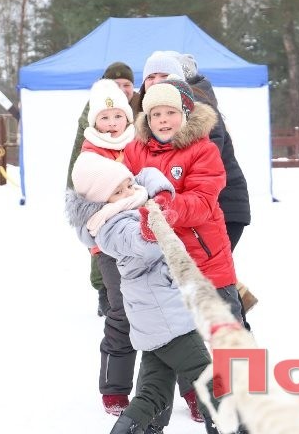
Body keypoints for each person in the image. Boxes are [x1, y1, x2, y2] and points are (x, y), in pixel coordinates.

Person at [65, 152, 221, 434]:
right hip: (166, 317)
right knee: (208, 377)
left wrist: (159, 196)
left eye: (127, 184)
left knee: (154, 393)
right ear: (101, 200)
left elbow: (147, 174)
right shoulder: (109, 225)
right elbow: (140, 242)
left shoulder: (132, 200)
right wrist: (152, 223)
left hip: (159, 317)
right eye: (117, 191)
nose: (128, 191)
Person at [123, 75, 247, 429]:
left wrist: (167, 207)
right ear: (147, 119)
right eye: (155, 114)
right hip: (159, 270)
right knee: (162, 351)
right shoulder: (134, 151)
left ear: (185, 114)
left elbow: (204, 202)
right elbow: (120, 192)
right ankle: (150, 423)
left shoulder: (203, 150)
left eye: (170, 113)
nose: (163, 120)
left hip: (207, 266)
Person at [75, 78, 140, 416]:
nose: (112, 124)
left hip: (146, 239)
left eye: (118, 117)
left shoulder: (139, 144)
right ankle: (114, 388)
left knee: (163, 309)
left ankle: (177, 386)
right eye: (105, 118)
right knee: (121, 310)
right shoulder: (89, 155)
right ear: (94, 121)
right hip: (110, 245)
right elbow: (85, 205)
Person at [177, 53, 255, 313]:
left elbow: (205, 162)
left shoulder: (197, 106)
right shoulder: (192, 101)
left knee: (211, 280)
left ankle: (236, 327)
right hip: (218, 209)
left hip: (224, 208)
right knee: (211, 276)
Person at [66, 61, 141, 318]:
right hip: (105, 215)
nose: (122, 89)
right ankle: (106, 296)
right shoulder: (93, 128)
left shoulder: (142, 112)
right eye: (116, 84)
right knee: (111, 274)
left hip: (135, 217)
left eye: (126, 84)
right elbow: (80, 163)